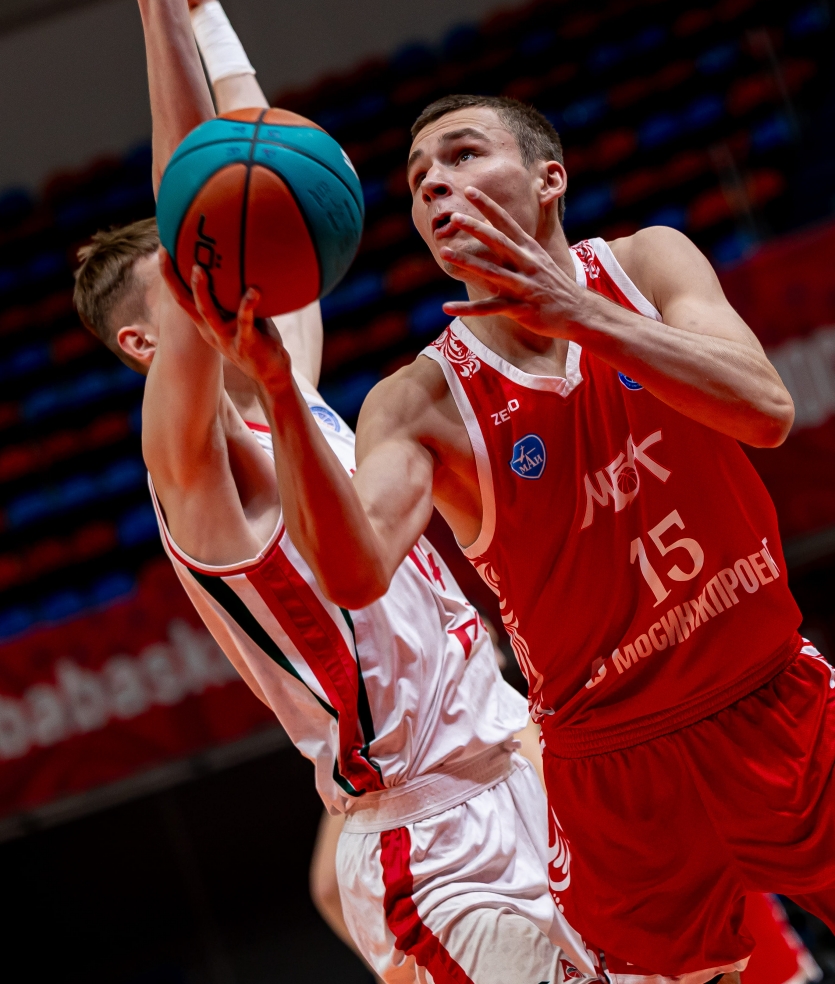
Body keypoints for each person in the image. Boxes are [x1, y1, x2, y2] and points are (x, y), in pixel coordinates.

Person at [76, 0, 603, 982]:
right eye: (198, 265)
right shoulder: (197, 474)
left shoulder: (296, 394)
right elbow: (200, 203)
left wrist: (203, 9)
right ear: (143, 342)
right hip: (434, 847)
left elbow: (252, 163)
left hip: (530, 763)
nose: (227, 266)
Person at [202, 80, 835, 976]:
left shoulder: (647, 264)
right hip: (614, 771)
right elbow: (351, 575)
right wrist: (277, 393)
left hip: (772, 699)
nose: (432, 182)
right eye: (416, 178)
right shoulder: (416, 400)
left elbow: (764, 409)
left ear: (548, 179)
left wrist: (580, 315)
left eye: (463, 154)